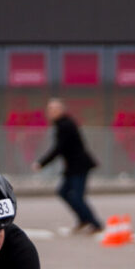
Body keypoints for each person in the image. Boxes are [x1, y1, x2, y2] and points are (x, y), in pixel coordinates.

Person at [34, 98, 102, 235]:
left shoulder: (66, 125)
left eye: (53, 109)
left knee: (77, 196)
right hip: (72, 167)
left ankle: (95, 224)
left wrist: (42, 163)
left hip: (79, 166)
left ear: (61, 110)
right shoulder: (61, 124)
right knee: (63, 192)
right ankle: (83, 219)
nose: (50, 112)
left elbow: (59, 148)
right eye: (49, 109)